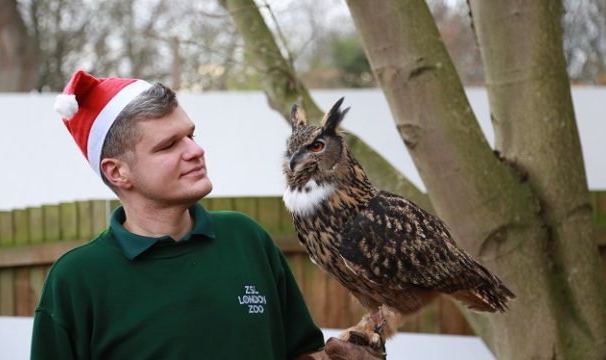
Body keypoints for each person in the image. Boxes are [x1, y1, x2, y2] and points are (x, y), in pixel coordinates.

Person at [30, 70, 382, 360]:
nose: (196, 151)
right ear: (118, 172)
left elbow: (299, 353)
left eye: (191, 135)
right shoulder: (77, 281)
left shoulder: (246, 239)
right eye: (169, 145)